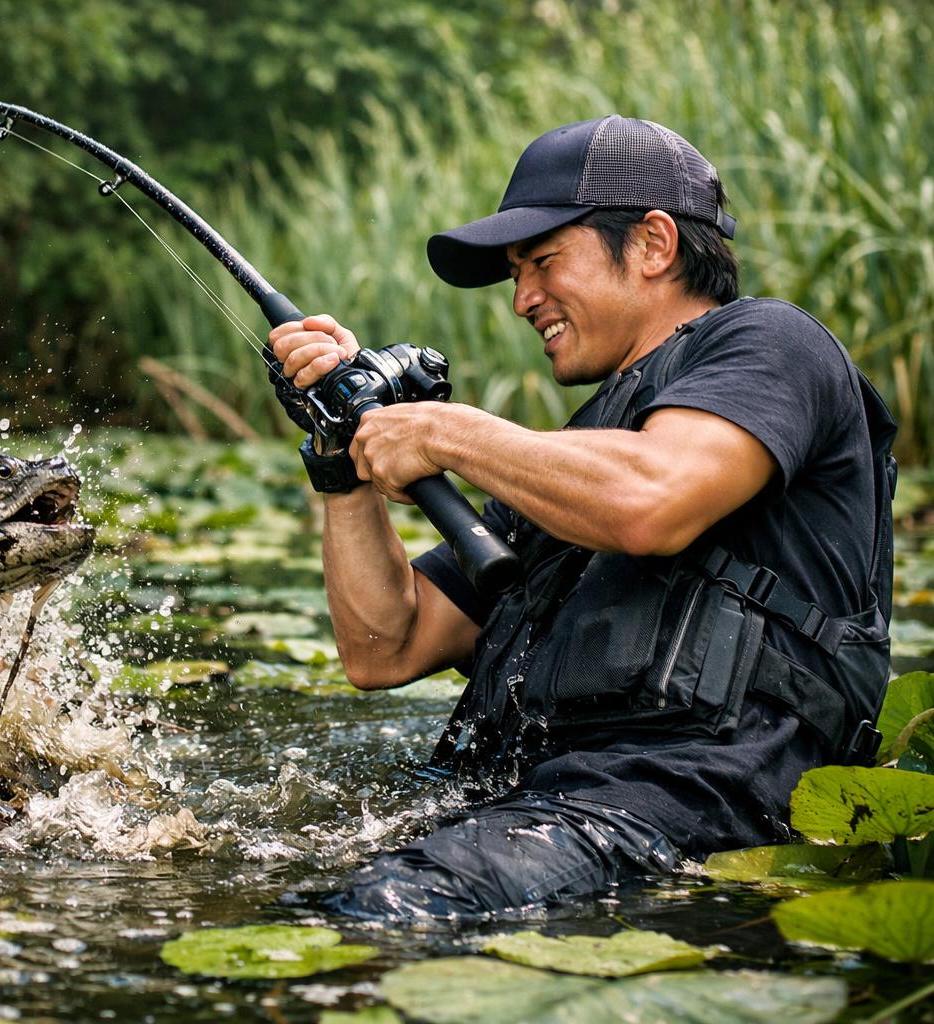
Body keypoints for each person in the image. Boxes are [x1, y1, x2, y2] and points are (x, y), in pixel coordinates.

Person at [268, 116, 897, 921]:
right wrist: (340, 455)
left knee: (374, 910)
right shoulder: (565, 464)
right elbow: (385, 647)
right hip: (533, 804)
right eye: (514, 273)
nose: (523, 298)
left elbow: (652, 502)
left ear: (654, 244)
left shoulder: (772, 343)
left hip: (692, 802)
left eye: (542, 261)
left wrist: (446, 430)